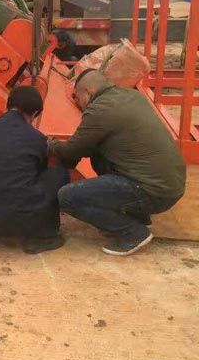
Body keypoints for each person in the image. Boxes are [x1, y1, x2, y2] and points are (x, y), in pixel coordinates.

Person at [50, 70, 186, 256]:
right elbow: (86, 147)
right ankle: (136, 214)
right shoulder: (131, 96)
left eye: (77, 96)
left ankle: (133, 233)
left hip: (152, 189)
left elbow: (71, 151)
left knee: (67, 197)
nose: (77, 101)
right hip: (171, 184)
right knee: (98, 154)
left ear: (88, 92)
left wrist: (51, 144)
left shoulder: (100, 109)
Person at [0, 86, 69, 254]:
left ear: (8, 105)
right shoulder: (37, 139)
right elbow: (36, 174)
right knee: (58, 173)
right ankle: (42, 236)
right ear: (34, 114)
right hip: (18, 219)